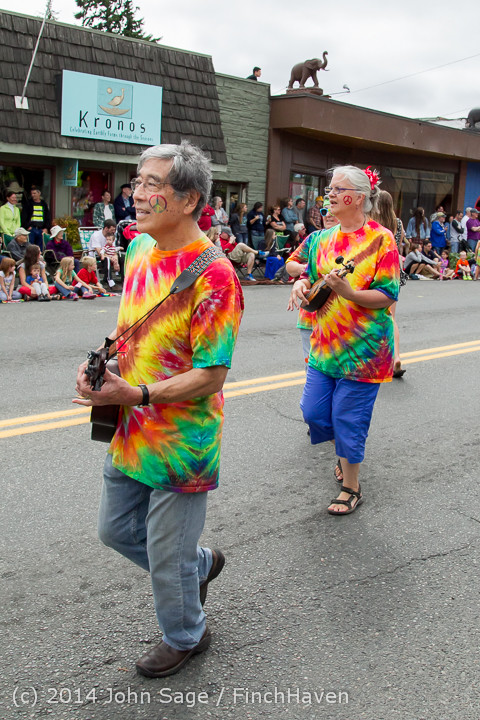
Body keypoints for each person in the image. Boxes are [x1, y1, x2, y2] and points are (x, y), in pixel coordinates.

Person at [73, 140, 244, 679]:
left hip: (181, 441)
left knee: (167, 555)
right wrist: (102, 363)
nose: (137, 194)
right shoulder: (140, 248)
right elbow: (131, 328)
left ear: (189, 200)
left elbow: (212, 374)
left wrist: (140, 394)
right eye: (137, 181)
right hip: (131, 426)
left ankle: (186, 634)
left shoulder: (215, 277)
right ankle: (198, 565)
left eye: (152, 184)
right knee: (115, 530)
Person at [287, 164, 399, 515]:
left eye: (338, 189)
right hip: (324, 347)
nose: (330, 194)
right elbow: (307, 275)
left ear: (360, 198)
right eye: (330, 189)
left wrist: (350, 293)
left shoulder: (381, 239)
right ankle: (344, 452)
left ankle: (351, 486)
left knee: (349, 418)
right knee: (314, 413)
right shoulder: (322, 239)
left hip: (365, 351)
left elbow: (388, 295)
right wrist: (300, 283)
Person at [285, 198, 337, 360]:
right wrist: (307, 270)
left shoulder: (351, 241)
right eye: (324, 211)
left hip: (338, 318)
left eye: (332, 210)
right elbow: (290, 265)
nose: (328, 215)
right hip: (311, 313)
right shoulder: (314, 238)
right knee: (311, 366)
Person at [371, 190, 407, 377]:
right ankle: (396, 357)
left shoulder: (371, 222)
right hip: (393, 269)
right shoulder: (397, 223)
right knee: (391, 316)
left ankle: (375, 358)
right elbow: (399, 245)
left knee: (372, 315)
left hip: (375, 268)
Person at [20, 186, 51, 250]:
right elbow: (24, 216)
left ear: (39, 193)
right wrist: (27, 226)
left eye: (34, 193)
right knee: (30, 247)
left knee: (40, 247)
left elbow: (48, 217)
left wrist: (46, 228)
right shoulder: (28, 204)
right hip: (32, 229)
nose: (33, 195)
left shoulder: (44, 204)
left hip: (41, 229)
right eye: (32, 194)